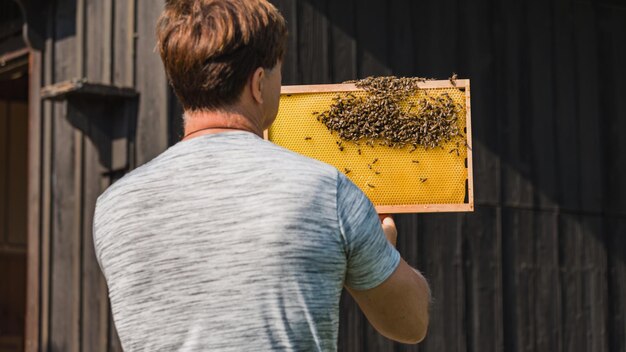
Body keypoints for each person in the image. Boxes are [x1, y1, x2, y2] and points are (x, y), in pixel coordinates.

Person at [93, 0, 431, 350]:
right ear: (258, 84)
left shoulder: (113, 207)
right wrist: (378, 251)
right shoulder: (325, 190)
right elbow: (411, 323)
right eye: (277, 73)